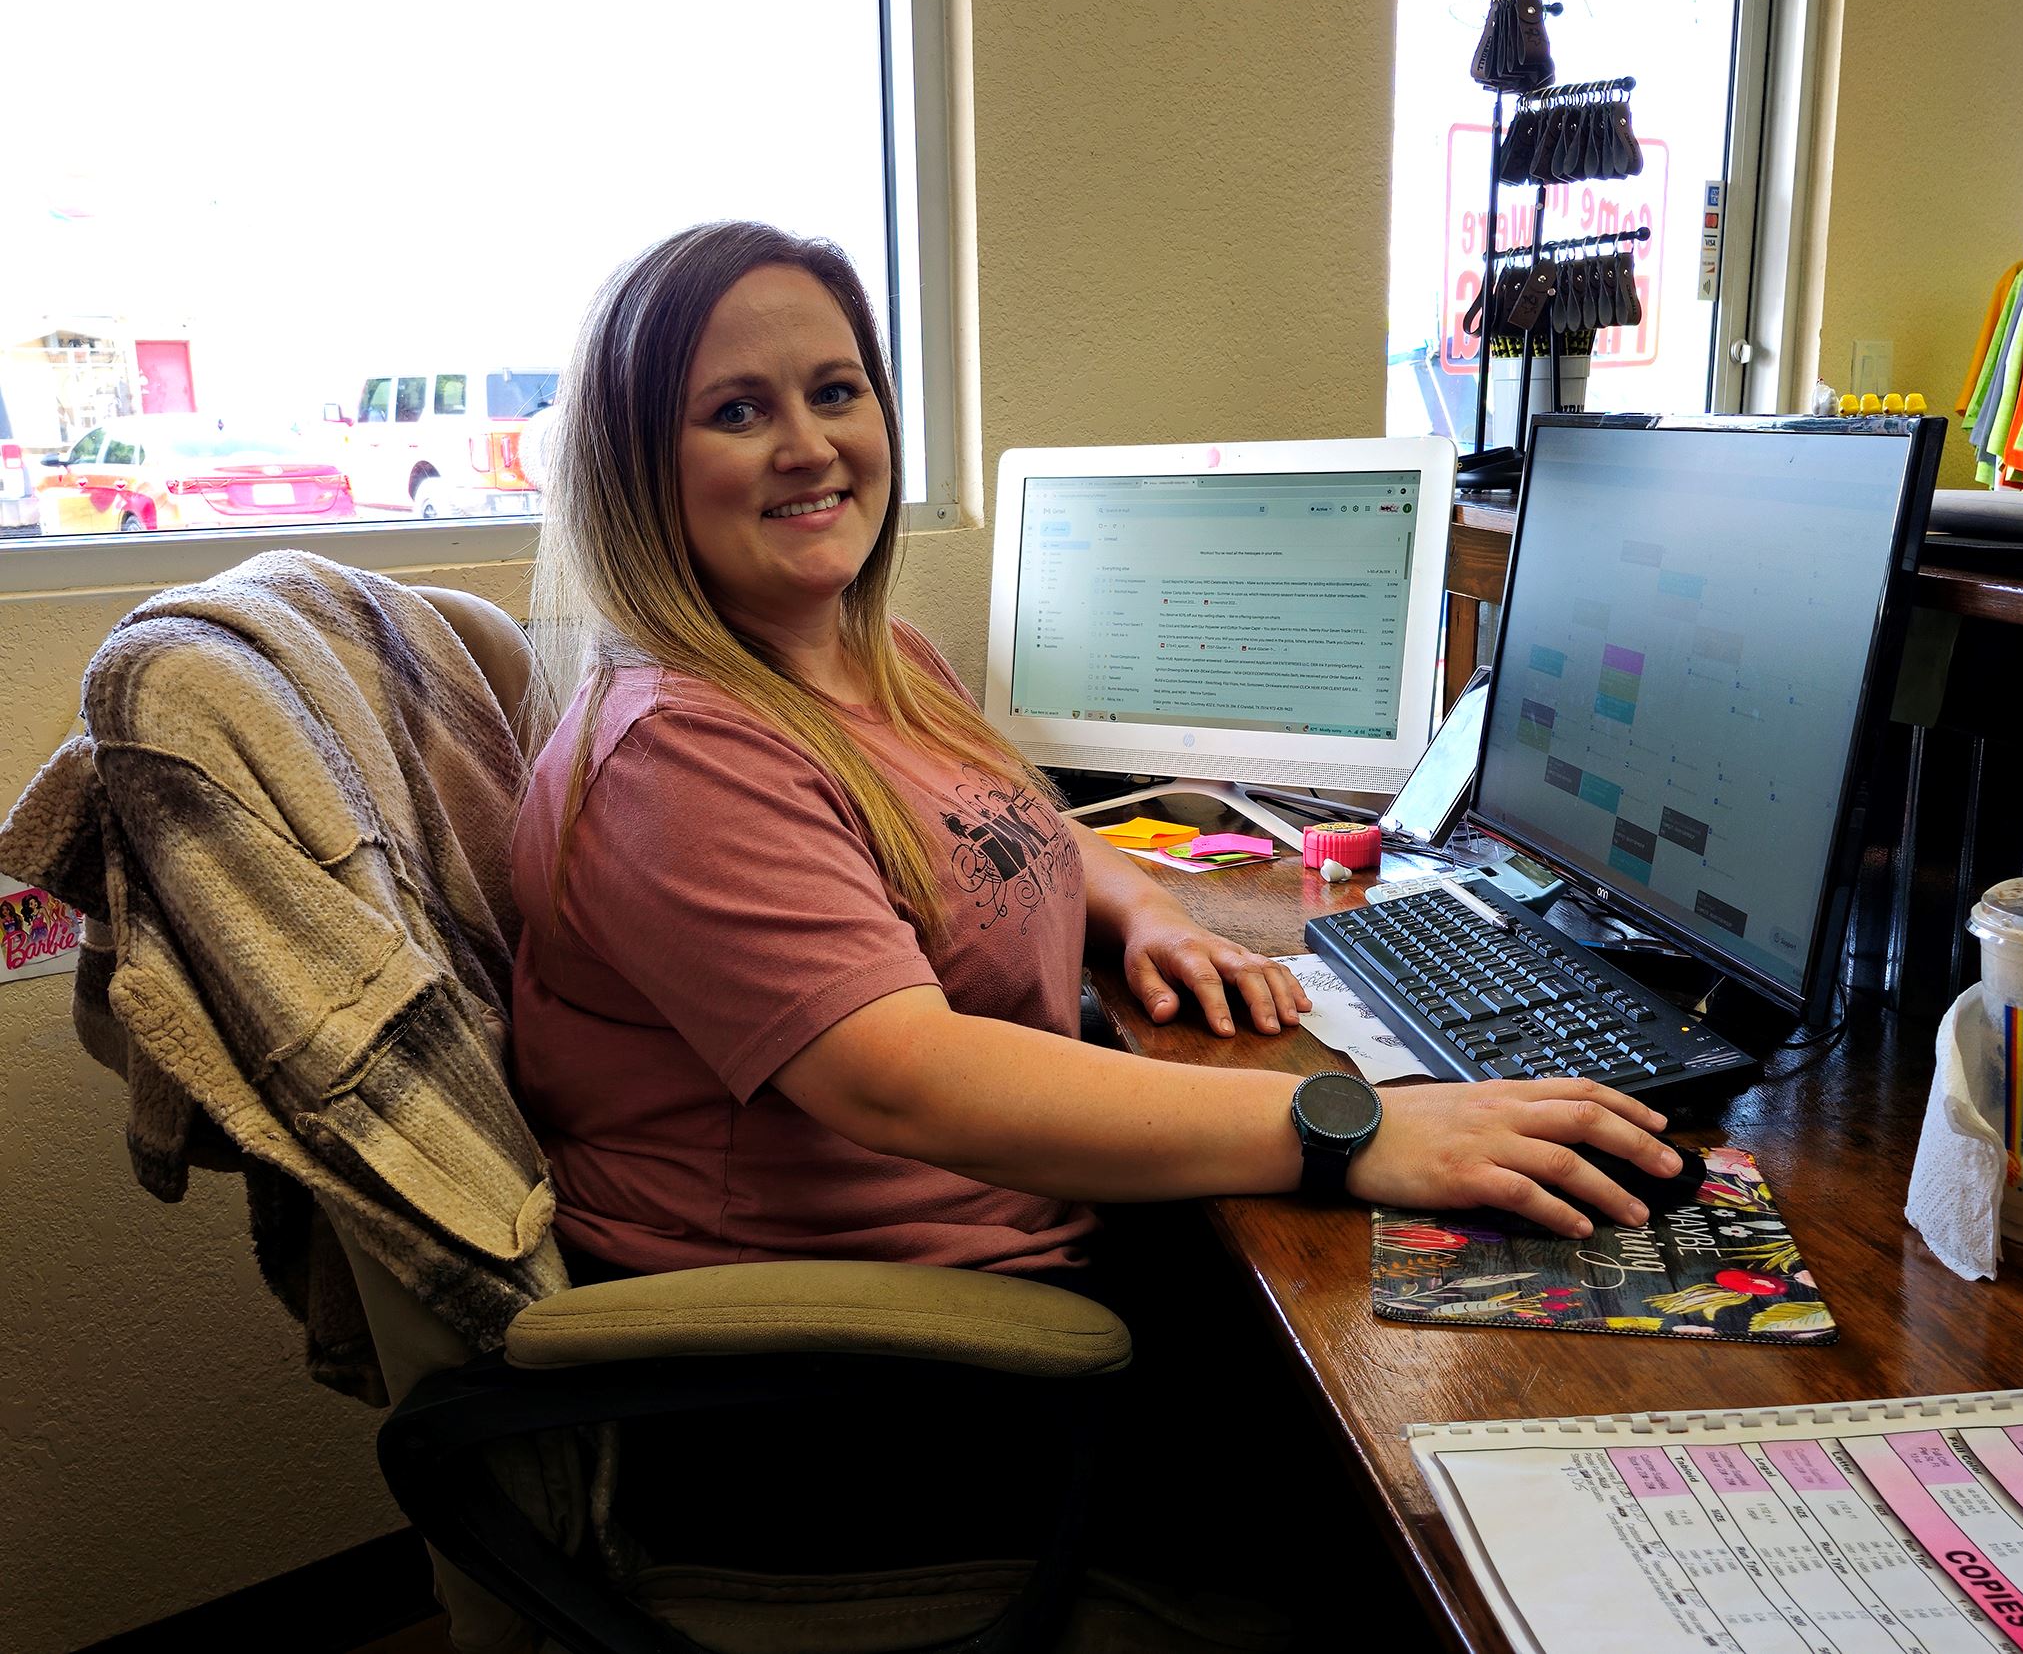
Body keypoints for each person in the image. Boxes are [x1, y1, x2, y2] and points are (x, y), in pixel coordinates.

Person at [509, 220, 1681, 1297]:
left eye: (835, 391)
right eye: (736, 412)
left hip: (1019, 1221)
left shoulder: (882, 657)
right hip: (871, 1334)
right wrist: (1352, 1125)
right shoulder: (680, 753)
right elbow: (902, 1075)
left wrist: (1146, 913)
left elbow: (1016, 828)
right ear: (634, 468)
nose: (809, 446)